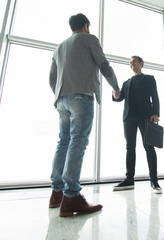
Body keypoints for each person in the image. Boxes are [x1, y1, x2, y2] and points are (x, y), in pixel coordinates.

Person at [49, 13, 120, 217]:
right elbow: (104, 65)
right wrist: (116, 87)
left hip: (62, 99)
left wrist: (61, 94)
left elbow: (51, 78)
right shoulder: (89, 39)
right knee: (77, 142)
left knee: (63, 142)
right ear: (86, 26)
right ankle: (71, 197)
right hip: (81, 96)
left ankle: (57, 193)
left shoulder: (59, 47)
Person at [112, 56, 162, 194]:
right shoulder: (126, 83)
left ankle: (154, 181)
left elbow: (155, 97)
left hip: (145, 116)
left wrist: (156, 113)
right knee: (130, 148)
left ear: (141, 63)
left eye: (134, 61)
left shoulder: (149, 79)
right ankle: (129, 179)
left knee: (149, 148)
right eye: (130, 63)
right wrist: (115, 96)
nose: (131, 64)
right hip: (128, 118)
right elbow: (119, 97)